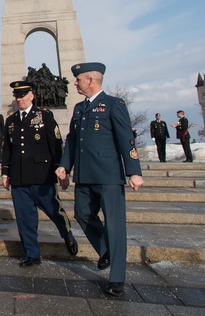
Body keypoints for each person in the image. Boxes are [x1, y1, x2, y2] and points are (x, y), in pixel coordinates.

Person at [55, 62, 143, 297]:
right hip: (84, 175)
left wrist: (133, 171)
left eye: (78, 79)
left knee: (114, 225)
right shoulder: (78, 108)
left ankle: (117, 279)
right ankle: (106, 250)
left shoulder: (114, 104)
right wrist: (64, 166)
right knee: (82, 214)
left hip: (108, 176)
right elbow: (72, 141)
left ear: (91, 80)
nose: (75, 83)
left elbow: (127, 139)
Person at [1, 81, 78, 267]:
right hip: (19, 178)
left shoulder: (44, 116)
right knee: (25, 218)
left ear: (31, 95)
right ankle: (32, 255)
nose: (19, 99)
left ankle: (66, 234)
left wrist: (62, 169)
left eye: (22, 95)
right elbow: (7, 150)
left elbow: (55, 145)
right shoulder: (10, 121)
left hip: (42, 176)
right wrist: (5, 173)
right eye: (16, 96)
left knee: (54, 211)